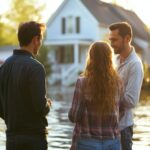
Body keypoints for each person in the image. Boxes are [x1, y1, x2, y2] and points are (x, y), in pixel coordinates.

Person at [0, 21, 51, 150]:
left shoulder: (4, 67)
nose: (40, 44)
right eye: (40, 40)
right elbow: (40, 107)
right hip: (34, 138)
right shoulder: (36, 67)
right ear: (35, 40)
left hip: (12, 137)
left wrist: (11, 118)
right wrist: (48, 105)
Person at [68, 41, 123, 150]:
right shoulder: (117, 83)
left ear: (91, 58)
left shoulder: (82, 82)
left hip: (87, 142)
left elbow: (74, 116)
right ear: (109, 59)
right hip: (112, 142)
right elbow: (119, 113)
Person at [108, 22, 144, 150]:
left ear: (127, 38)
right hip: (108, 127)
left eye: (114, 40)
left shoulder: (135, 65)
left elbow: (131, 101)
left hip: (123, 130)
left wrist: (107, 97)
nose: (111, 44)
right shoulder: (115, 60)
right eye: (110, 40)